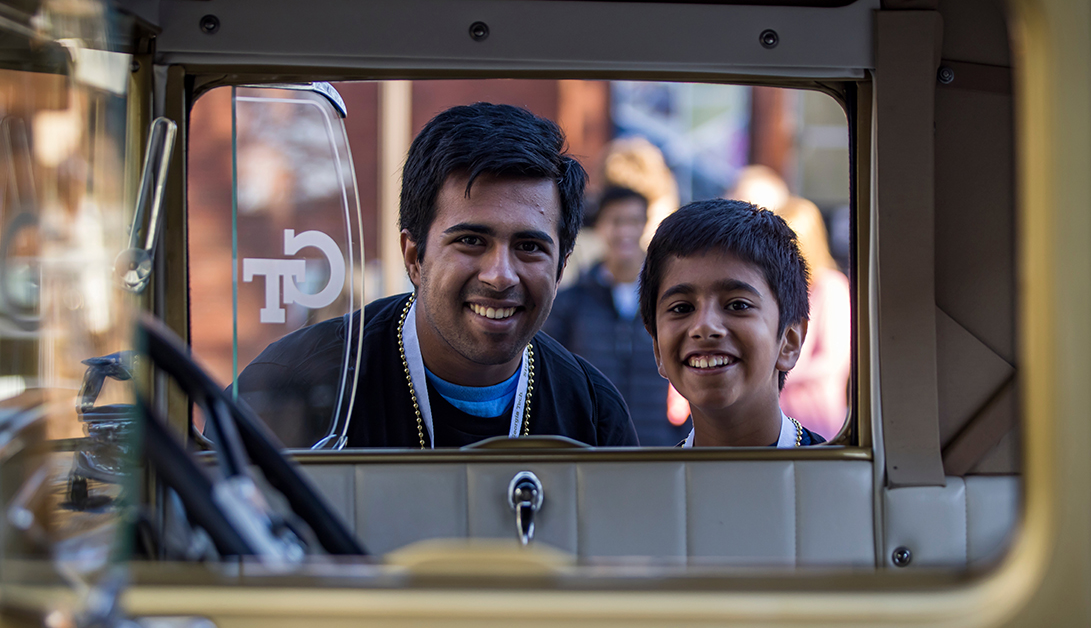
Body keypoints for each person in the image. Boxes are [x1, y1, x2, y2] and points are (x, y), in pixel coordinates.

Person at [235, 103, 640, 449]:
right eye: (471, 240)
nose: (500, 276)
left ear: (561, 267)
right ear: (414, 255)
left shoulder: (593, 413)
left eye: (529, 247)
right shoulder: (291, 388)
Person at [638, 198, 826, 447]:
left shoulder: (838, 478)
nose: (704, 327)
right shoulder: (652, 484)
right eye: (682, 308)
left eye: (738, 305)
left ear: (790, 341)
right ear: (657, 349)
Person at [543, 186, 685, 446]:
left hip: (658, 447)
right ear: (600, 227)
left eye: (633, 221)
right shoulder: (570, 303)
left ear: (645, 225)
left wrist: (680, 434)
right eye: (616, 221)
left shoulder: (670, 301)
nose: (625, 232)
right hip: (591, 446)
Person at [727, 166, 850, 439]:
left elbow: (832, 360)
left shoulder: (830, 286)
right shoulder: (776, 288)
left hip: (815, 415)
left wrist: (770, 368)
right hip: (774, 415)